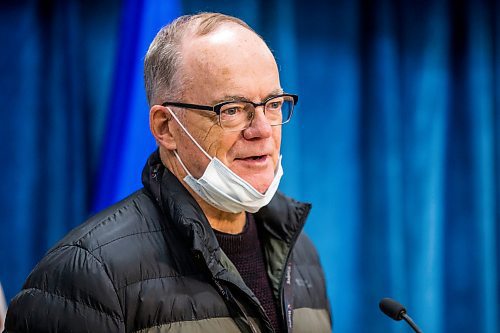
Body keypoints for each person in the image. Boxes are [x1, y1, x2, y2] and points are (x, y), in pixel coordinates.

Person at [4, 12, 331, 333]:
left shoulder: (301, 255)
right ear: (166, 127)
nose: (262, 130)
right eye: (232, 110)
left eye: (273, 105)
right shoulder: (86, 275)